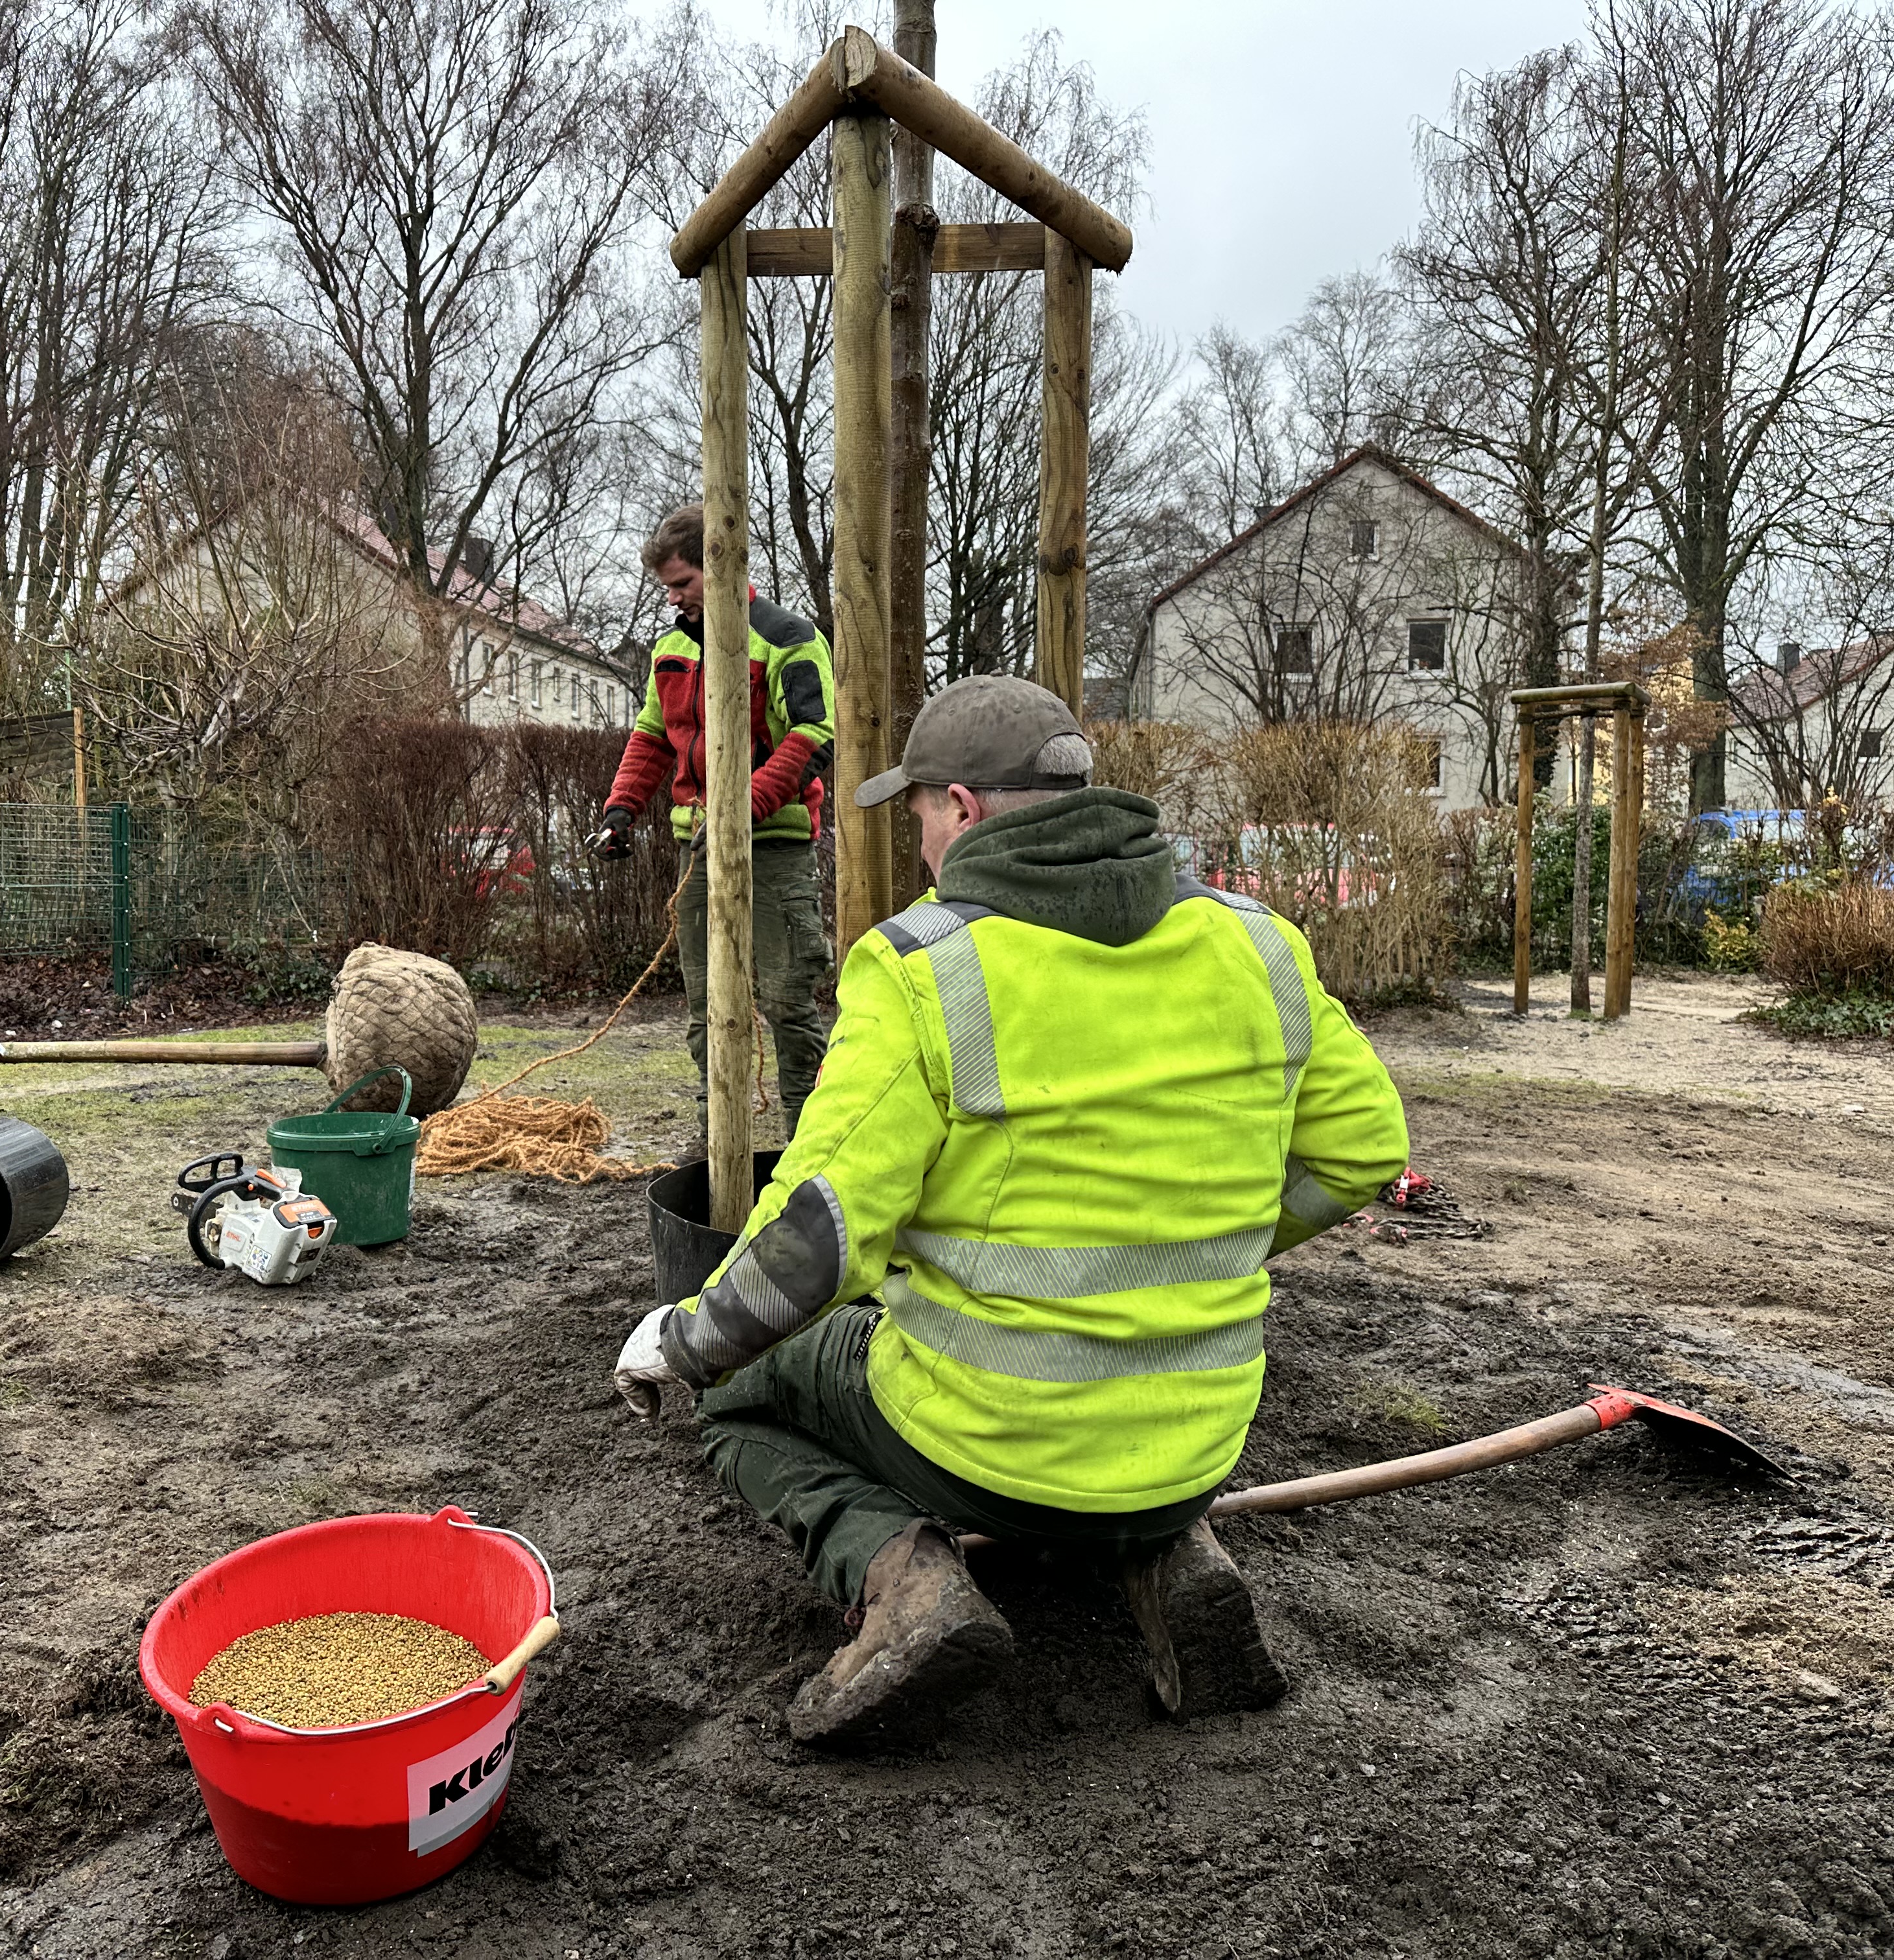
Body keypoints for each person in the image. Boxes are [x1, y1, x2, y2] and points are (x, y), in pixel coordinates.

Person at [611, 676, 1410, 1745]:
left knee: (745, 1395)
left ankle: (903, 1584)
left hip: (989, 1447)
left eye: (920, 817)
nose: (922, 844)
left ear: (963, 808)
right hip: (1197, 1444)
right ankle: (1170, 1556)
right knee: (1119, 1471)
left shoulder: (923, 967)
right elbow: (1365, 1149)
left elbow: (822, 1236)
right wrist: (1203, 1247)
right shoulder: (1255, 942)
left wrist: (686, 1337)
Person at [590, 502, 837, 1138]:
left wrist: (744, 807)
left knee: (787, 1002)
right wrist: (621, 810)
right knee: (707, 1008)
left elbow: (815, 735)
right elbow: (652, 734)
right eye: (668, 588)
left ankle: (807, 1144)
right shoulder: (670, 648)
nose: (674, 600)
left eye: (683, 584)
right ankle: (714, 1147)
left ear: (722, 568)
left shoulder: (789, 637)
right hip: (696, 853)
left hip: (777, 849)